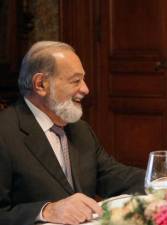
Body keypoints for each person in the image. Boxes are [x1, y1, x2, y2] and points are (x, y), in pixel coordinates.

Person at [0, 41, 145, 225]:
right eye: (75, 81)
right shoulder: (4, 134)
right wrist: (46, 211)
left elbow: (113, 176)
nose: (85, 89)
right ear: (41, 84)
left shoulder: (79, 129)